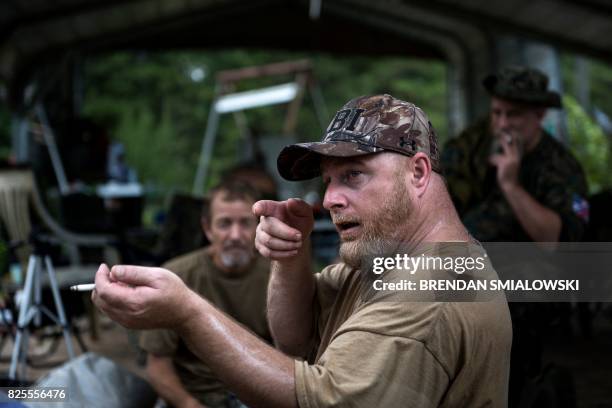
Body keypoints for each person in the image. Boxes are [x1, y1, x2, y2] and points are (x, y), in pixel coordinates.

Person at [93, 94, 512, 407]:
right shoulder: (390, 256)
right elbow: (295, 337)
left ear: (418, 172)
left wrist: (187, 312)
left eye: (353, 174)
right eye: (328, 180)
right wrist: (291, 260)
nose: (330, 199)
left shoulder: (430, 290)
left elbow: (315, 399)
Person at [139, 181, 271, 408]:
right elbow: (157, 366)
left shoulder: (278, 277)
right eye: (224, 224)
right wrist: (190, 405)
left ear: (259, 226)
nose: (235, 235)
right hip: (197, 398)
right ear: (207, 229)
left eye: (245, 223)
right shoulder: (175, 277)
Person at [442, 66, 589, 243]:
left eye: (514, 114)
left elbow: (557, 239)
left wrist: (510, 185)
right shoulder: (478, 140)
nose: (502, 124)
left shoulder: (562, 166)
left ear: (539, 114)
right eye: (497, 113)